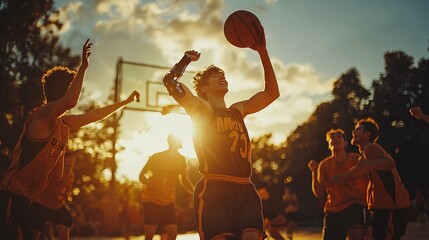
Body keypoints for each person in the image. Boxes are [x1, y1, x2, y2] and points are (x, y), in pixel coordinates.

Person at [0, 39, 140, 240]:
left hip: (26, 199)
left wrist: (125, 102)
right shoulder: (41, 115)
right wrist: (83, 67)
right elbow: (71, 101)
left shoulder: (63, 125)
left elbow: (95, 115)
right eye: (73, 87)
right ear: (66, 90)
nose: (77, 92)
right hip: (11, 197)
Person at [160, 25, 279, 240]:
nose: (222, 76)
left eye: (223, 74)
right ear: (204, 89)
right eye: (216, 76)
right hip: (215, 188)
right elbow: (170, 81)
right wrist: (185, 60)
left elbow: (272, 92)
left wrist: (262, 51)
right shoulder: (201, 109)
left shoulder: (238, 110)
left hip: (245, 188)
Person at [331, 118, 411, 240]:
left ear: (367, 134)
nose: (353, 132)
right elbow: (355, 172)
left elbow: (390, 163)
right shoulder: (365, 154)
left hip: (392, 206)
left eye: (358, 129)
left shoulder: (370, 148)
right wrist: (337, 179)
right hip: (381, 207)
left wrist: (339, 178)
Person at [307, 129, 370, 240]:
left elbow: (371, 181)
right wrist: (314, 172)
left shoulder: (356, 159)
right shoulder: (324, 165)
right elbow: (319, 193)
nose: (335, 139)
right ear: (329, 145)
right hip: (334, 209)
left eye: (339, 136)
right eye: (332, 138)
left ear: (345, 143)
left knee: (356, 233)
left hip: (355, 205)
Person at [139, 133, 194, 240]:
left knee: (173, 234)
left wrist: (195, 192)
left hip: (168, 201)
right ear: (172, 142)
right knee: (150, 235)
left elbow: (184, 180)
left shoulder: (181, 160)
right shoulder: (156, 157)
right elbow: (141, 176)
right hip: (151, 200)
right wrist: (148, 183)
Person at [32, 151, 75, 240]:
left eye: (71, 165)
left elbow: (68, 191)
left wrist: (65, 197)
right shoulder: (53, 170)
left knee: (67, 221)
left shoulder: (71, 175)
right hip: (41, 203)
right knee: (35, 232)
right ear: (63, 162)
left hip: (57, 206)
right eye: (67, 164)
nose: (69, 167)